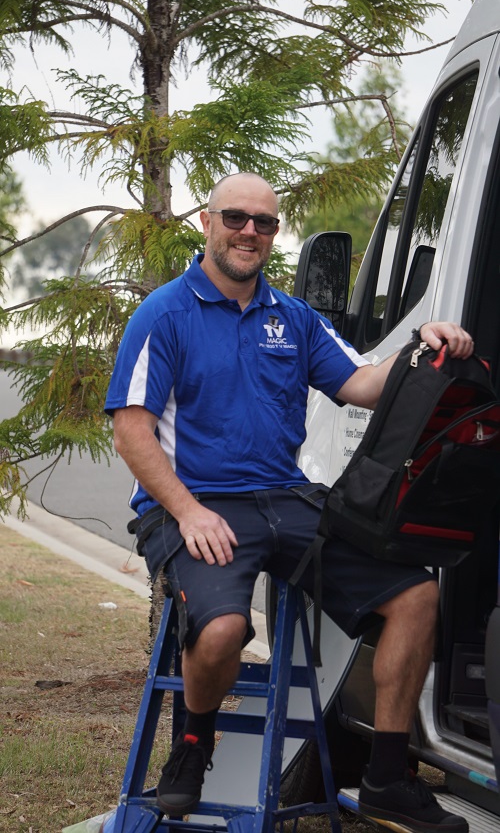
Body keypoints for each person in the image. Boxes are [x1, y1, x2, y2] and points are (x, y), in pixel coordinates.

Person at [105, 172, 471, 833]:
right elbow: (131, 429)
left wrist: (422, 344)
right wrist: (188, 511)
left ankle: (388, 778)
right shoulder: (164, 313)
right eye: (237, 218)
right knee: (221, 630)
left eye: (265, 223)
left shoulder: (292, 318)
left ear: (274, 235)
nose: (250, 232)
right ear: (207, 222)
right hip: (194, 503)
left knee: (416, 597)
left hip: (287, 501)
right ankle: (192, 748)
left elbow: (361, 382)